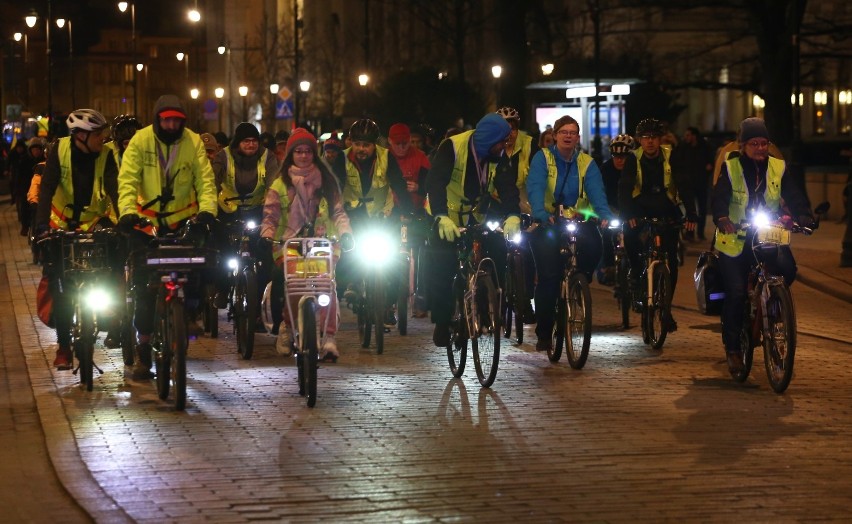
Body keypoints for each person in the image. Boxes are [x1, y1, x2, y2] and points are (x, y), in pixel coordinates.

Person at [117, 94, 218, 377]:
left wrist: (207, 211)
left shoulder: (193, 141)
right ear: (157, 118)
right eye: (166, 119)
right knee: (144, 284)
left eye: (177, 119)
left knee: (199, 269)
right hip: (145, 222)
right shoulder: (140, 140)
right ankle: (144, 344)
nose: (172, 124)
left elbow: (205, 180)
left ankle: (189, 312)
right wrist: (127, 212)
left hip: (182, 219)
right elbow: (127, 180)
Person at [712, 117, 815, 375]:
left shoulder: (777, 166)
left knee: (787, 271)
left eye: (764, 143)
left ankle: (773, 309)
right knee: (735, 292)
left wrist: (804, 216)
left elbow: (792, 193)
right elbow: (719, 196)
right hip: (735, 239)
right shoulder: (731, 166)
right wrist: (722, 218)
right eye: (754, 143)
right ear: (743, 145)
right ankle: (734, 349)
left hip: (765, 234)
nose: (760, 148)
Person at [35, 109, 118, 370]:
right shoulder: (59, 151)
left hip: (94, 222)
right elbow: (46, 188)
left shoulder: (106, 155)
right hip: (60, 223)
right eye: (97, 135)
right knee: (62, 287)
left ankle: (112, 318)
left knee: (109, 268)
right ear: (80, 135)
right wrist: (41, 227)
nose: (102, 139)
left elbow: (116, 189)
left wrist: (121, 221)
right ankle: (63, 347)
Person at [261, 128, 352, 361]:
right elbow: (270, 215)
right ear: (291, 154)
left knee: (327, 287)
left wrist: (345, 233)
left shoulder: (327, 181)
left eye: (308, 152)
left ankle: (329, 337)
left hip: (322, 244)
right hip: (288, 245)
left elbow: (338, 213)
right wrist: (267, 234)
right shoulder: (280, 185)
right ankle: (288, 328)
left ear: (315, 154)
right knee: (293, 287)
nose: (303, 156)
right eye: (298, 151)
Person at [425, 112, 514, 346]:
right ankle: (442, 322)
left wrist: (513, 214)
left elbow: (507, 187)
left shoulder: (499, 155)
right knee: (442, 267)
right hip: (447, 216)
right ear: (490, 139)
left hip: (476, 215)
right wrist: (441, 216)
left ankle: (487, 307)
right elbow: (435, 182)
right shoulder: (452, 147)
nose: (505, 145)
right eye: (502, 141)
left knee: (496, 252)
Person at [526, 115, 612, 351]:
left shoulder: (587, 163)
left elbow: (596, 192)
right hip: (548, 222)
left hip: (576, 220)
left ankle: (580, 280)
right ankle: (544, 332)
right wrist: (540, 214)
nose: (568, 136)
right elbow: (535, 187)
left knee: (595, 244)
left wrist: (603, 214)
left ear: (577, 137)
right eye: (563, 132)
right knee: (549, 277)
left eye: (572, 132)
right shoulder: (542, 158)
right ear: (554, 135)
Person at [618, 118, 696, 332]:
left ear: (660, 139)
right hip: (640, 208)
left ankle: (667, 310)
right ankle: (635, 272)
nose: (650, 142)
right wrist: (628, 214)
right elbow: (624, 187)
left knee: (671, 257)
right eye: (645, 138)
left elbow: (684, 183)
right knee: (632, 236)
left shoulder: (671, 156)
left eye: (653, 137)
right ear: (639, 140)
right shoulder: (634, 158)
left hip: (666, 207)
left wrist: (691, 214)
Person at [332, 118, 413, 326]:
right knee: (349, 251)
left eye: (366, 145)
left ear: (375, 144)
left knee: (394, 260)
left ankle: (388, 305)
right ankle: (353, 282)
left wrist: (408, 211)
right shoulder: (341, 159)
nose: (361, 149)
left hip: (383, 215)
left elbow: (399, 186)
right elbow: (334, 188)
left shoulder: (387, 157)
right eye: (357, 143)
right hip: (353, 216)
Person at [210, 121, 280, 335]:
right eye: (246, 141)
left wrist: (272, 211)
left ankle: (259, 303)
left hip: (257, 211)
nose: (250, 144)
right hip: (227, 210)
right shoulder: (224, 156)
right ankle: (221, 288)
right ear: (237, 143)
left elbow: (274, 184)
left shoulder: (268, 157)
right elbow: (211, 181)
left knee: (265, 254)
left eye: (254, 141)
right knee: (220, 250)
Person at [597, 133, 635, 284]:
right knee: (606, 233)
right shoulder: (605, 169)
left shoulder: (636, 169)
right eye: (616, 156)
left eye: (624, 156)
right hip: (612, 209)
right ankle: (609, 267)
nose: (619, 160)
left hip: (632, 211)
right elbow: (598, 192)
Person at [670, 126, 713, 241]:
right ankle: (689, 233)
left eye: (688, 135)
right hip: (688, 183)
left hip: (701, 182)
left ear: (694, 136)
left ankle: (700, 232)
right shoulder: (684, 147)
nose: (686, 137)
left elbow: (710, 163)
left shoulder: (704, 146)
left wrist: (708, 168)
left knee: (702, 209)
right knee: (690, 208)